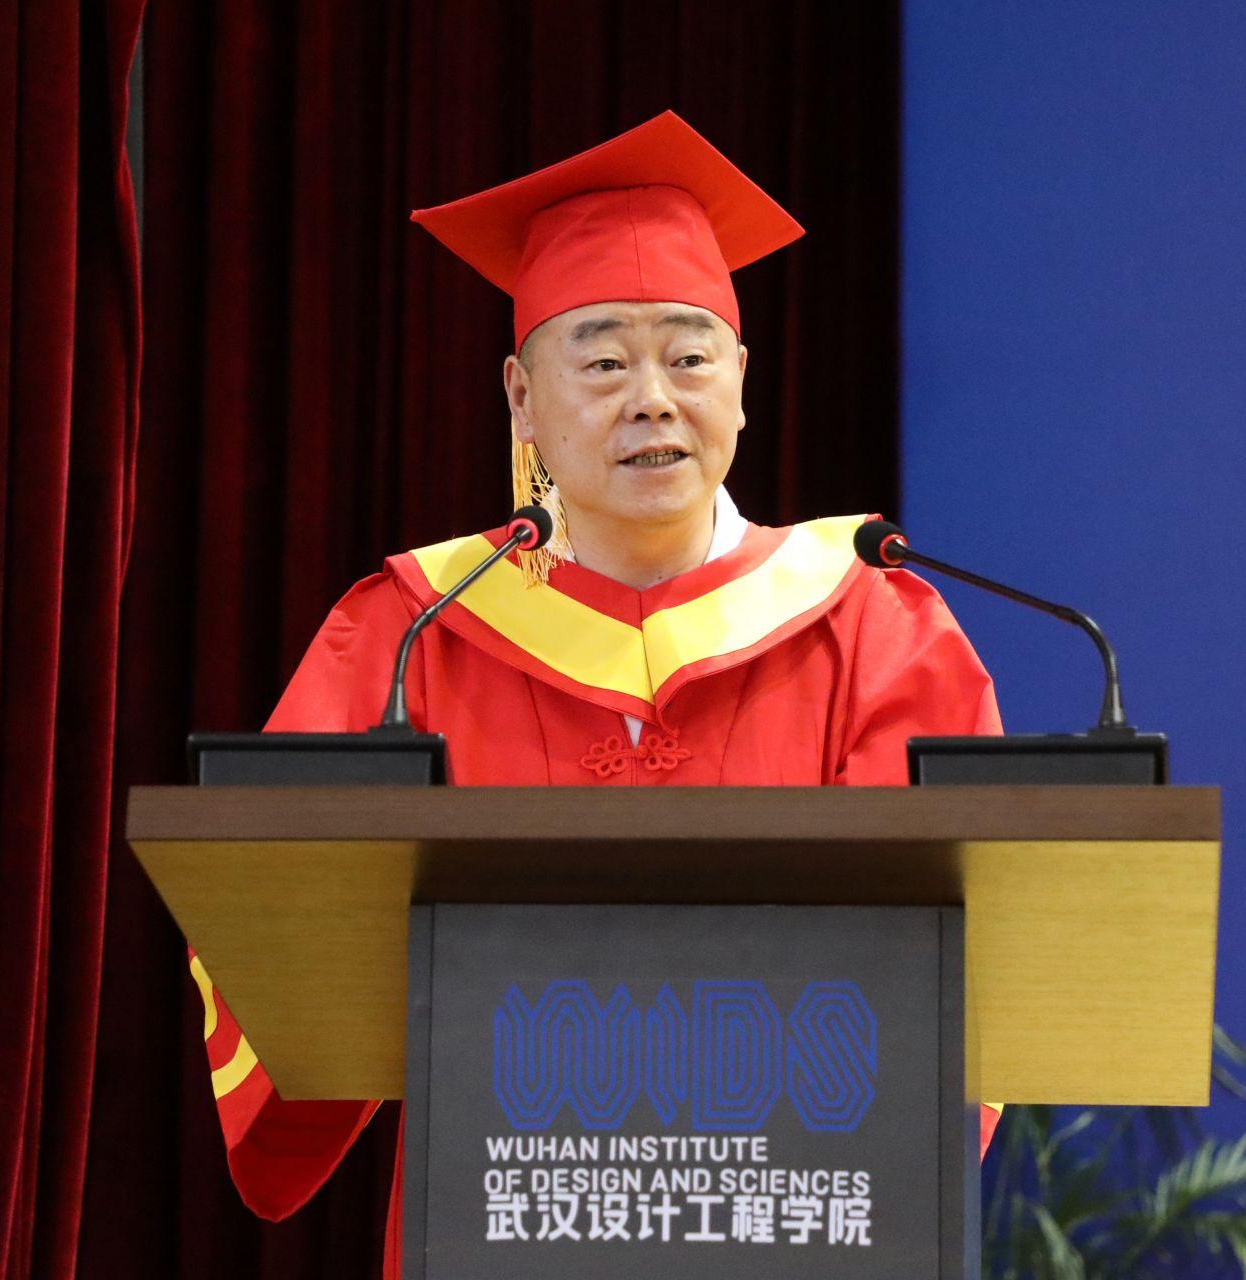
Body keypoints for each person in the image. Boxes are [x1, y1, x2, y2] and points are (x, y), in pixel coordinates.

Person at [186, 111, 1003, 1271]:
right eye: (606, 361)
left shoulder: (872, 622)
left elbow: (954, 950)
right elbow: (270, 911)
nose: (653, 396)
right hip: (498, 1216)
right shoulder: (412, 630)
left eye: (689, 356)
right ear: (522, 397)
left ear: (742, 382)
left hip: (788, 1220)